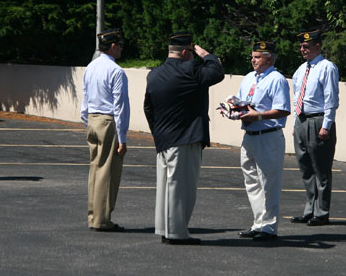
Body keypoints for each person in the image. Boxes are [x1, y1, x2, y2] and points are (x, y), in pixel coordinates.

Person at [144, 31, 225, 245]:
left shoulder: (154, 74)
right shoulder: (191, 69)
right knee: (182, 188)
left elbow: (148, 108)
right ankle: (177, 233)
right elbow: (216, 72)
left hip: (164, 139)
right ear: (185, 51)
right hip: (185, 137)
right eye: (191, 51)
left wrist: (158, 133)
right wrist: (206, 54)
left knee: (165, 187)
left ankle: (164, 229)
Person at [236, 41, 291, 241]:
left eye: (257, 57)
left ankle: (269, 227)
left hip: (268, 136)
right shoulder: (249, 77)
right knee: (252, 183)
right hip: (249, 136)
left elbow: (283, 109)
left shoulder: (277, 79)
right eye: (252, 56)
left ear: (269, 58)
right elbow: (243, 103)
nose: (253, 60)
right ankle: (258, 223)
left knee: (269, 183)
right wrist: (233, 108)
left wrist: (258, 116)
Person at [81, 29, 130, 232]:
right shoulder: (116, 71)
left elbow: (84, 98)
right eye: (118, 45)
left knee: (95, 169)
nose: (120, 49)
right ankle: (102, 219)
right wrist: (123, 138)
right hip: (108, 121)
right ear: (112, 46)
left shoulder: (91, 67)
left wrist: (87, 120)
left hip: (92, 119)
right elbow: (120, 106)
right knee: (107, 172)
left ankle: (94, 216)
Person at [290, 29, 340, 226]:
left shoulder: (327, 67)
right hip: (302, 121)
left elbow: (331, 99)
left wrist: (326, 125)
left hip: (318, 121)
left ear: (318, 47)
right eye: (301, 46)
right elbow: (296, 98)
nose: (303, 49)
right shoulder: (301, 70)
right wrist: (296, 122)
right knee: (306, 168)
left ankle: (322, 212)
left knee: (321, 170)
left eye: (307, 46)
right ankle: (309, 209)